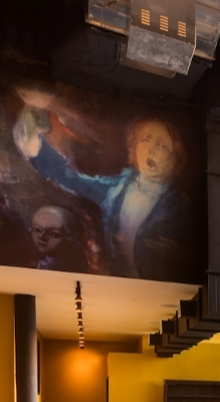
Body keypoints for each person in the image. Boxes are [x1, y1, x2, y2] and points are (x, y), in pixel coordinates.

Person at [14, 107, 194, 281]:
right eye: (146, 139)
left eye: (163, 146)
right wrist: (35, 145)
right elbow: (71, 178)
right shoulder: (115, 189)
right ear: (134, 147)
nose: (152, 149)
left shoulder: (180, 209)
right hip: (118, 281)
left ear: (176, 160)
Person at [29, 205, 87, 272]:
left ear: (69, 238)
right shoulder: (30, 255)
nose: (42, 237)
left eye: (53, 234)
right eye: (37, 229)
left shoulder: (72, 266)